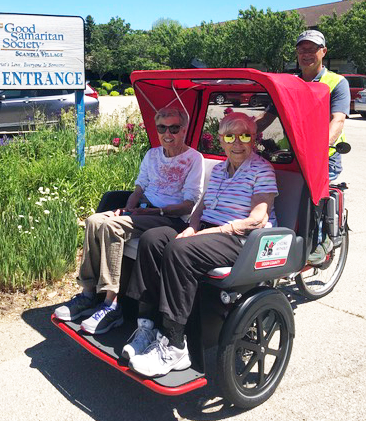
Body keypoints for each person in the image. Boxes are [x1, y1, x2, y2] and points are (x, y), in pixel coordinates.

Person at [122, 112, 278, 377]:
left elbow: (257, 218)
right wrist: (193, 228)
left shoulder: (262, 169)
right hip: (208, 231)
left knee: (179, 250)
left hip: (241, 238)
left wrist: (209, 232)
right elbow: (201, 206)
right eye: (229, 136)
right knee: (152, 240)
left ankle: (175, 344)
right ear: (221, 141)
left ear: (254, 139)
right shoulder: (218, 170)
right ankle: (147, 325)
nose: (236, 142)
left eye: (244, 136)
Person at [54, 107, 204, 335]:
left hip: (169, 218)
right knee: (95, 221)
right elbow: (139, 188)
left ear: (184, 130)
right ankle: (88, 293)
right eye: (162, 128)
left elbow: (189, 204)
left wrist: (154, 212)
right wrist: (128, 209)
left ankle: (111, 304)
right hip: (143, 211)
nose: (168, 134)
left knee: (112, 226)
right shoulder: (152, 154)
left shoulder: (194, 158)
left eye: (174, 128)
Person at [257, 29, 350, 264]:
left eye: (311, 49)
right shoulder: (289, 83)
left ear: (323, 52)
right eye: (301, 49)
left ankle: (323, 240)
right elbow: (267, 118)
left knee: (311, 196)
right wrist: (243, 132)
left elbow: (337, 120)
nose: (306, 54)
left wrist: (320, 148)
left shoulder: (337, 83)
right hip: (293, 153)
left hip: (323, 155)